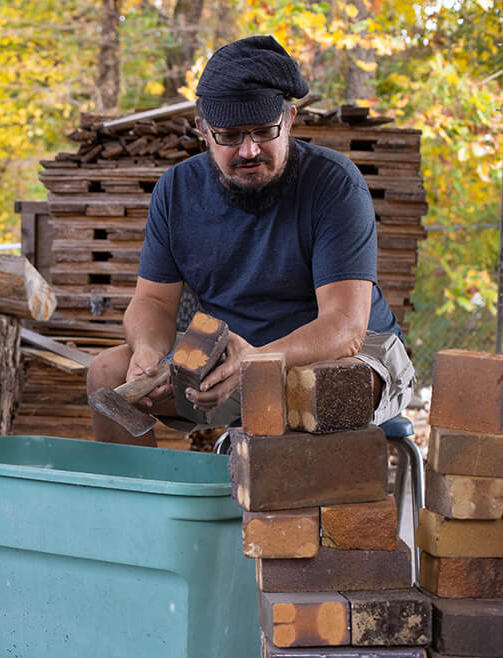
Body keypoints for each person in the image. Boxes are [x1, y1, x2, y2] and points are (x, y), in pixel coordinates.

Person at [87, 35, 415, 445]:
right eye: (229, 136)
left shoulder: (335, 184)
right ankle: (136, 509)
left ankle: (283, 507)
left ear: (290, 119)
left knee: (321, 391)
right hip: (229, 351)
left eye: (263, 131)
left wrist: (255, 361)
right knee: (107, 374)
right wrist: (147, 351)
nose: (248, 150)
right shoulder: (175, 191)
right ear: (202, 130)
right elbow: (152, 302)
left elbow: (344, 327)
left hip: (345, 354)